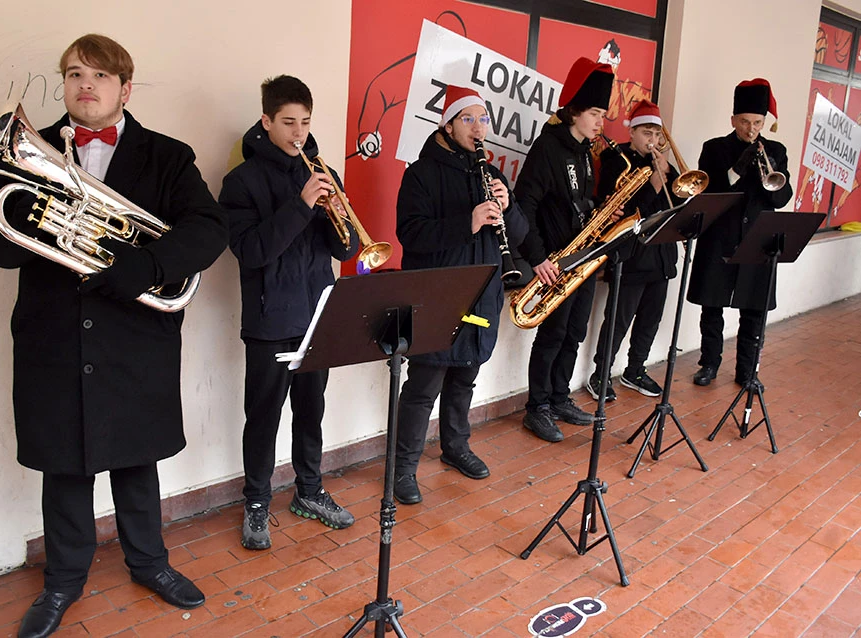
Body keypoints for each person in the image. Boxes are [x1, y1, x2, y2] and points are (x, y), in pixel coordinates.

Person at [0, 34, 227, 638]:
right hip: (53, 338)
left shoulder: (167, 156)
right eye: (74, 74)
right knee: (64, 467)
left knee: (137, 463)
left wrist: (146, 266)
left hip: (134, 337)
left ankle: (150, 564)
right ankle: (62, 582)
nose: (85, 85)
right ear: (64, 86)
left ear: (124, 88)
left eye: (100, 76)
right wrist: (37, 216)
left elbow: (209, 229)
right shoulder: (33, 154)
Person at [219, 75, 358, 550]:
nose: (298, 132)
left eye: (305, 122)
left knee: (311, 409)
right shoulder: (241, 181)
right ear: (266, 120)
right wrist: (301, 206)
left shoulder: (322, 173)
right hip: (268, 320)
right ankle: (257, 501)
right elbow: (251, 251)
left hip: (318, 313)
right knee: (263, 415)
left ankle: (310, 490)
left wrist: (336, 211)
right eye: (288, 122)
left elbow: (348, 249)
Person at [392, 85, 529, 504]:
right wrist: (466, 223)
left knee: (465, 374)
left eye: (482, 119)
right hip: (438, 295)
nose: (478, 128)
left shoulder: (491, 173)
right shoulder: (420, 174)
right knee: (424, 383)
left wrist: (510, 209)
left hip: (482, 293)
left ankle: (455, 446)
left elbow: (520, 235)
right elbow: (410, 235)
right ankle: (403, 468)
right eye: (468, 119)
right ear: (447, 125)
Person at [514, 57, 617, 443]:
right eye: (594, 113)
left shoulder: (584, 151)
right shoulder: (547, 149)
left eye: (603, 114)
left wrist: (600, 211)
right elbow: (525, 206)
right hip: (555, 262)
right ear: (574, 110)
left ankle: (559, 397)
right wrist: (539, 258)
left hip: (583, 259)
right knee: (553, 335)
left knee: (574, 332)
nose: (599, 122)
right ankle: (536, 407)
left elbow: (574, 201)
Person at [687, 78, 793, 386]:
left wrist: (767, 170)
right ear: (733, 120)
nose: (751, 129)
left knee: (754, 311)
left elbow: (781, 198)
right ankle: (709, 364)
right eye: (745, 122)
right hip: (720, 238)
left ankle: (747, 372)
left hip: (758, 241)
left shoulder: (776, 150)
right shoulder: (715, 149)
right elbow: (709, 192)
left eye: (757, 122)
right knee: (712, 307)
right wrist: (736, 169)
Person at [585, 99, 679, 402]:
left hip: (662, 256)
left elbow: (679, 205)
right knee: (618, 319)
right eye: (646, 133)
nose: (652, 141)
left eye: (656, 134)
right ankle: (601, 373)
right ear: (633, 133)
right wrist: (653, 185)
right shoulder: (618, 159)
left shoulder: (663, 165)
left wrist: (670, 176)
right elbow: (627, 214)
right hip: (632, 256)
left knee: (651, 318)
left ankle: (635, 369)